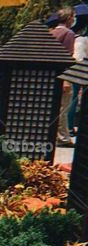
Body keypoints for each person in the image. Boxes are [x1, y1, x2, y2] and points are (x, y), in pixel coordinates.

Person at [51, 8, 76, 144]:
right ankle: (63, 137)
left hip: (51, 76)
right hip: (63, 75)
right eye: (73, 17)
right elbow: (67, 58)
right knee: (63, 107)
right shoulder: (69, 34)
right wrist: (67, 79)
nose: (74, 20)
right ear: (68, 18)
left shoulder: (52, 32)